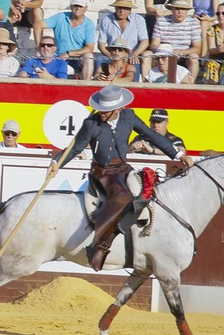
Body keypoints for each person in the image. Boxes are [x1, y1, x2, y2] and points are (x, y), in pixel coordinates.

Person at [56, 85, 184, 271]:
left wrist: (179, 156)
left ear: (118, 109)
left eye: (106, 111)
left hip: (123, 169)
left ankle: (146, 243)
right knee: (123, 197)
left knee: (147, 189)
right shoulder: (91, 123)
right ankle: (100, 246)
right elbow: (75, 147)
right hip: (102, 172)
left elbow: (153, 137)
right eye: (100, 109)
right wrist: (56, 163)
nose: (101, 113)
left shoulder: (128, 117)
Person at [46, 0, 98, 80]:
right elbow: (38, 25)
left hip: (76, 58)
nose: (78, 8)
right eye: (75, 5)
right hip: (57, 55)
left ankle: (86, 86)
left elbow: (89, 48)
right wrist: (38, 45)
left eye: (80, 6)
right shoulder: (60, 17)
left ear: (86, 8)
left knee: (88, 56)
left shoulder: (89, 24)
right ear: (71, 7)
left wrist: (68, 53)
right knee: (39, 53)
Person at [153, 0, 203, 82]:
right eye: (177, 9)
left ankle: (191, 86)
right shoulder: (161, 21)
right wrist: (164, 52)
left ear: (187, 11)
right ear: (172, 10)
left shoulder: (194, 23)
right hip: (164, 55)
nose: (180, 12)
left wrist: (181, 52)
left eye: (183, 9)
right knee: (146, 55)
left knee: (194, 57)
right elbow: (154, 44)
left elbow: (197, 48)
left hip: (184, 57)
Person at [99, 0, 150, 75]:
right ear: (115, 7)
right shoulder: (106, 20)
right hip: (111, 56)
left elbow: (144, 41)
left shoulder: (139, 20)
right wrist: (112, 56)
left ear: (130, 9)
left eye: (125, 8)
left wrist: (135, 54)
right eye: (119, 7)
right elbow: (101, 45)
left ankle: (135, 87)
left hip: (131, 57)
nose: (122, 10)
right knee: (99, 63)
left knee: (135, 64)